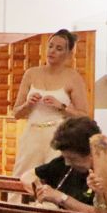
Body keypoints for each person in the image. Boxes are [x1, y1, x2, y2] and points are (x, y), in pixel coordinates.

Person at [10, 29, 90, 178]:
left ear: (68, 54)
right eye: (50, 46)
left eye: (59, 49)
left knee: (52, 179)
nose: (52, 51)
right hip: (32, 133)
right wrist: (28, 105)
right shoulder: (31, 74)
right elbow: (16, 113)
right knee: (23, 176)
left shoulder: (73, 77)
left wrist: (62, 107)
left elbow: (84, 116)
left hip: (58, 135)